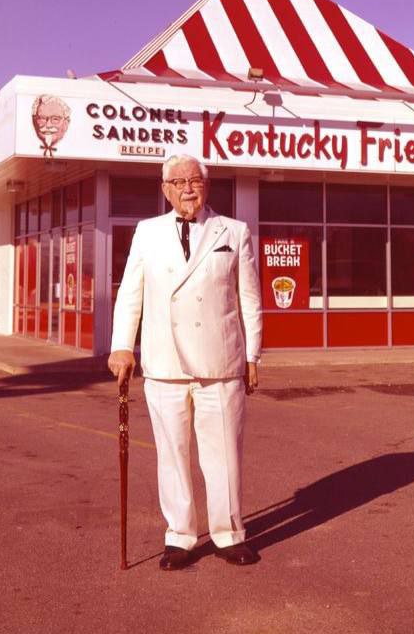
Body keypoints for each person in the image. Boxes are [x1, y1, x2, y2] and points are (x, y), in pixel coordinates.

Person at [108, 154, 263, 570]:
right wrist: (122, 345)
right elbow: (130, 294)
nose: (187, 188)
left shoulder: (234, 231)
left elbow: (249, 297)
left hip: (221, 362)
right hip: (164, 363)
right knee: (172, 453)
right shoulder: (147, 233)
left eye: (194, 179)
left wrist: (252, 354)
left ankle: (229, 533)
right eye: (177, 181)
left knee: (223, 454)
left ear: (207, 186)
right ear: (165, 190)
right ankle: (180, 536)